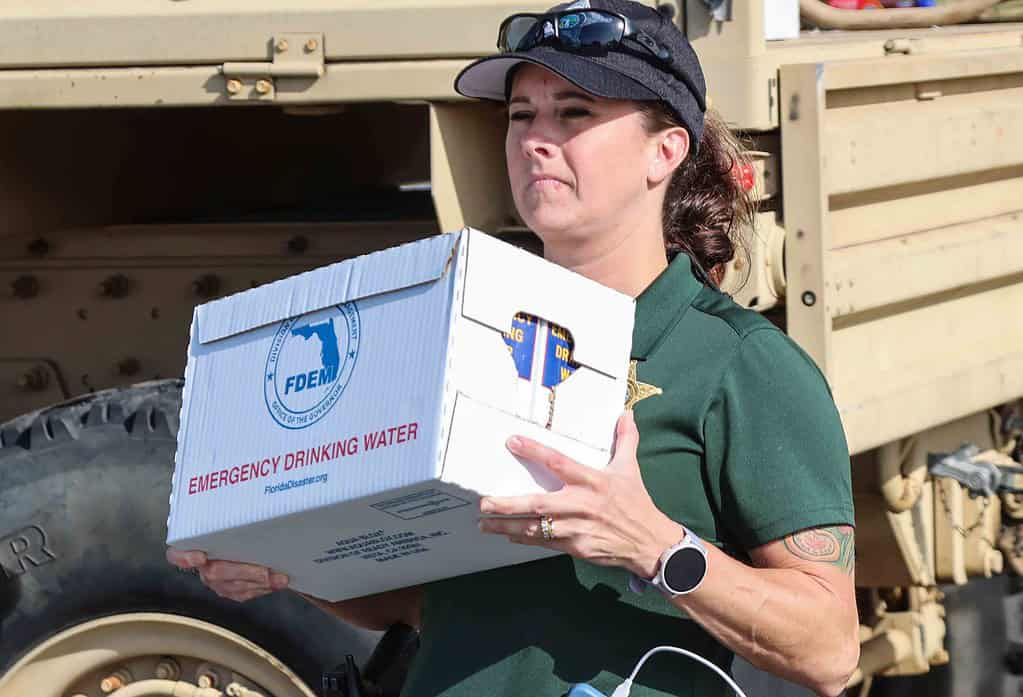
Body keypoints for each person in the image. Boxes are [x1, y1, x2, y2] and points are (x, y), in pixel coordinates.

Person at [168, 1, 859, 695]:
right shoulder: (459, 330)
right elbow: (416, 603)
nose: (535, 139)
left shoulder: (737, 362)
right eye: (520, 115)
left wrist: (653, 543)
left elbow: (828, 650)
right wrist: (286, 566)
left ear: (664, 150)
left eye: (574, 113)